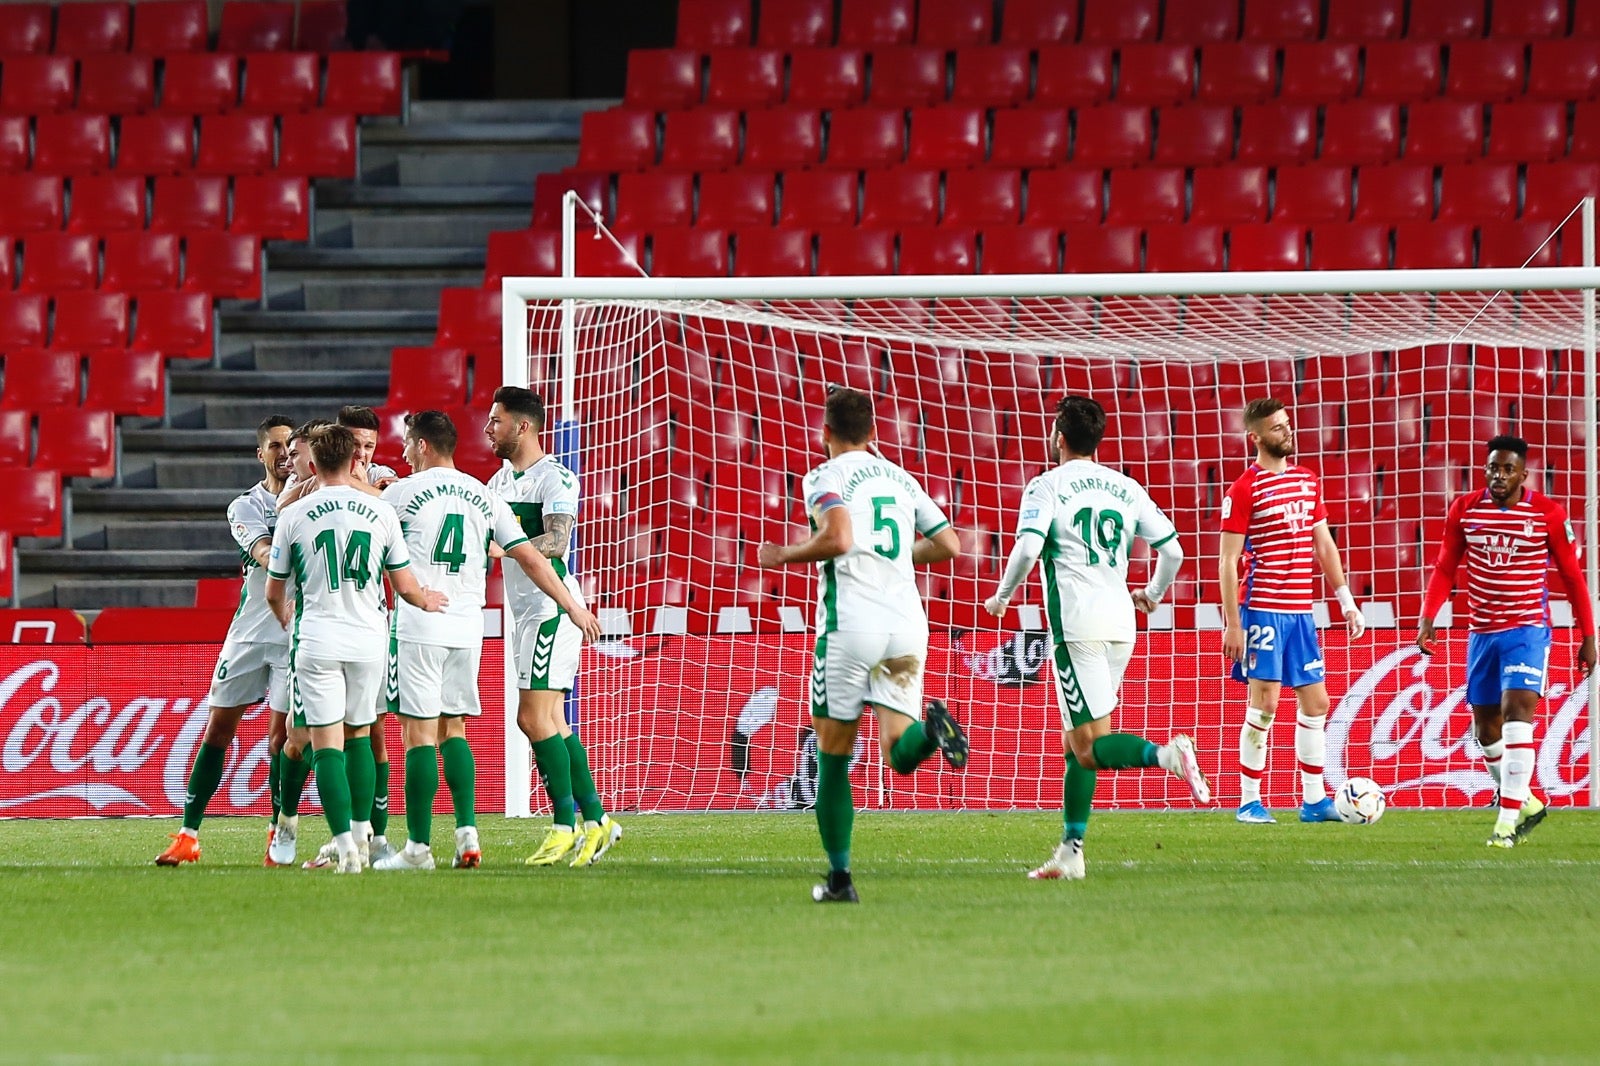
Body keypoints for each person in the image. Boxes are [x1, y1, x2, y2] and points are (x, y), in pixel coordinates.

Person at [757, 386, 971, 904]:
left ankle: (840, 879)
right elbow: (950, 544)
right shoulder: (901, 478)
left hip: (851, 628)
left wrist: (783, 555)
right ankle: (931, 731)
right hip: (905, 627)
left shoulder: (824, 476)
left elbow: (839, 539)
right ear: (874, 433)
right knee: (899, 753)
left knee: (832, 757)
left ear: (825, 433)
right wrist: (895, 558)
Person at [983, 395, 1210, 881]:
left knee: (1089, 746)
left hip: (1077, 627)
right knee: (1077, 744)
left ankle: (1167, 755)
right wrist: (1152, 594)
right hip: (1122, 623)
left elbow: (1027, 547)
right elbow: (1173, 550)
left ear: (1059, 437)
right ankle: (1071, 853)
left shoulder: (1046, 485)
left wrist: (1001, 597)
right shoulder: (1125, 486)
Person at [374, 411, 603, 871]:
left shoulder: (400, 493)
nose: (403, 452)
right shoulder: (485, 494)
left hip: (420, 623)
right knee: (454, 730)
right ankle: (468, 837)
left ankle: (417, 849)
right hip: (467, 629)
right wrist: (573, 606)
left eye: (407, 444)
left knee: (418, 736)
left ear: (422, 446)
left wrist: (367, 481)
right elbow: (533, 558)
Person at [264, 425, 447, 873]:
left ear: (312, 466)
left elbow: (274, 590)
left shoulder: (294, 514)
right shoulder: (381, 512)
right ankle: (363, 833)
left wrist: (285, 615)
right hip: (368, 640)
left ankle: (345, 847)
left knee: (324, 742)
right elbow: (403, 583)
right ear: (354, 462)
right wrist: (426, 599)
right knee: (360, 736)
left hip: (317, 639)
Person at [1416, 435, 1597, 847]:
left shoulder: (1548, 514)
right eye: (1493, 468)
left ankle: (1506, 822)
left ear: (1523, 474)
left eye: (1507, 469)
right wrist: (1428, 618)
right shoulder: (1465, 509)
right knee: (1486, 729)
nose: (1499, 476)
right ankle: (1527, 802)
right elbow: (1445, 566)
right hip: (1481, 633)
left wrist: (1588, 637)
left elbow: (1573, 579)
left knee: (1517, 712)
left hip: (1527, 631)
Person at [485, 387, 621, 867]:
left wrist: (508, 546)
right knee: (554, 722)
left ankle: (564, 825)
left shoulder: (555, 477)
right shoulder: (497, 482)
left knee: (532, 719)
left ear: (522, 426)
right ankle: (598, 821)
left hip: (552, 610)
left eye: (497, 421)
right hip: (525, 613)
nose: (488, 429)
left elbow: (558, 541)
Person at [155, 415, 295, 866]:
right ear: (260, 454)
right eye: (275, 446)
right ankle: (188, 835)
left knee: (281, 739)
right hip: (250, 632)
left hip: (295, 634)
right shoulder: (245, 506)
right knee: (218, 728)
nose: (284, 454)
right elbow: (262, 551)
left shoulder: (315, 499)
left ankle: (277, 835)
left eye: (290, 446)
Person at [1220, 398, 1366, 824]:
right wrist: (1233, 624)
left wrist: (1346, 601)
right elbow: (1227, 561)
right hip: (1262, 609)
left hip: (1301, 612)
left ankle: (1314, 801)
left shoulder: (1307, 481)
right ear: (1255, 438)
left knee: (1317, 703)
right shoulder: (1244, 489)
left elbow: (1324, 544)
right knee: (1265, 702)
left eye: (1287, 424)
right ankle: (1249, 801)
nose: (1287, 432)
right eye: (1277, 428)